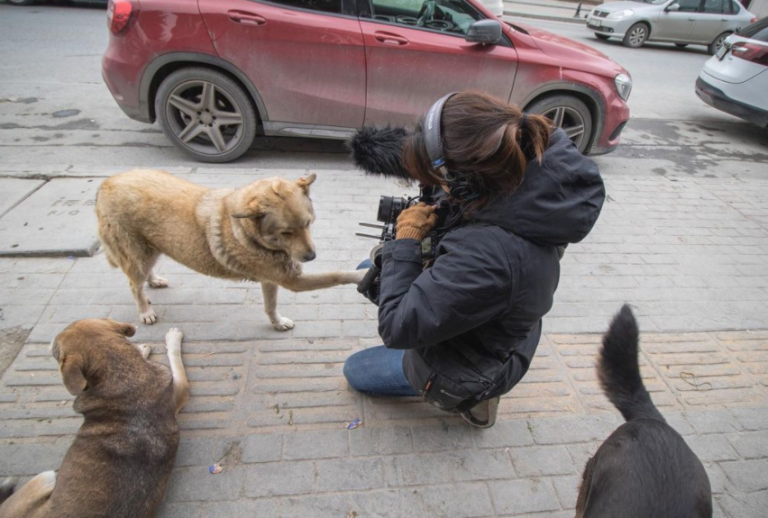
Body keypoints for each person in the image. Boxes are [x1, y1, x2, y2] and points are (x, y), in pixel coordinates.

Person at [343, 91, 605, 428]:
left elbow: (396, 328)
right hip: (497, 314)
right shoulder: (523, 162)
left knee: (356, 370)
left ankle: (477, 400)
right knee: (371, 270)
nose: (440, 186)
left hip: (469, 365)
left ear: (466, 179)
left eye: (442, 179)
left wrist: (408, 239)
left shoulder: (490, 253)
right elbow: (440, 167)